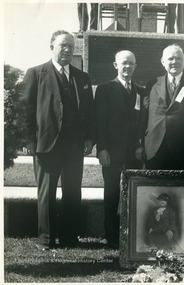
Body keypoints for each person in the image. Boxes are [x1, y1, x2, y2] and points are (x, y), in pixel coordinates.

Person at [22, 30, 95, 250]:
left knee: (73, 191)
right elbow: (26, 109)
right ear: (51, 46)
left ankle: (70, 238)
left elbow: (89, 111)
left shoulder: (82, 77)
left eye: (71, 46)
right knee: (47, 193)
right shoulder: (36, 73)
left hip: (74, 146)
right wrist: (29, 140)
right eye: (63, 45)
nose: (67, 50)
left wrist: (90, 139)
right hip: (47, 144)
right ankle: (46, 239)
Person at [95, 50, 145, 248]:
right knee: (111, 195)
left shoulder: (140, 91)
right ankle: (112, 238)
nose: (128, 67)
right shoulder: (105, 89)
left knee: (132, 195)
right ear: (115, 65)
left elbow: (142, 122)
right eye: (124, 63)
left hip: (133, 153)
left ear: (135, 66)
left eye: (131, 64)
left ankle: (131, 236)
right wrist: (102, 149)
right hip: (112, 153)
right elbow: (100, 122)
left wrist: (140, 145)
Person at [143, 44, 184, 170]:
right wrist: (139, 145)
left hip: (182, 150)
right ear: (163, 62)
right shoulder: (152, 84)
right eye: (170, 59)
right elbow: (144, 117)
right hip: (154, 150)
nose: (175, 62)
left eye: (178, 59)